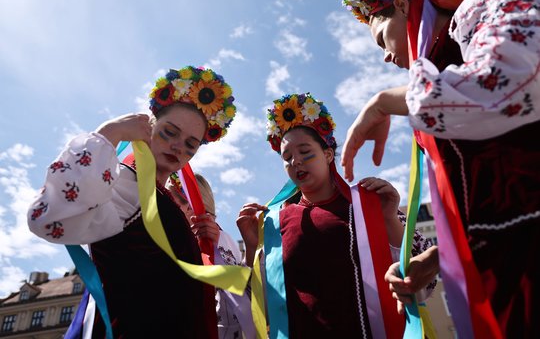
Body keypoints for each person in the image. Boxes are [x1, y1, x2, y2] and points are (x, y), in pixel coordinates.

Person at [342, 0, 540, 336]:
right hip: (503, 268)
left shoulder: (488, 2)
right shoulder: (437, 84)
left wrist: (383, 101)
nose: (385, 56)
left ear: (402, 6)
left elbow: (512, 77)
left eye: (380, 38)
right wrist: (436, 259)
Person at [27, 65, 238, 338]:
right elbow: (46, 217)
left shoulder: (158, 194)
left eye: (190, 144)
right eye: (169, 132)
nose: (178, 147)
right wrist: (110, 133)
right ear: (147, 128)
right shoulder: (127, 183)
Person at [236, 93, 435, 338]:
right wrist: (252, 247)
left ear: (328, 154)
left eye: (305, 152)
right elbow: (260, 308)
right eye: (286, 158)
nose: (296, 161)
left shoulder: (367, 204)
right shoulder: (275, 222)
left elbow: (425, 284)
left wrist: (389, 218)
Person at [168, 173, 250, 339]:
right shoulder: (191, 239)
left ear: (189, 206)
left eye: (169, 200)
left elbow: (228, 309)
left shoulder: (214, 240)